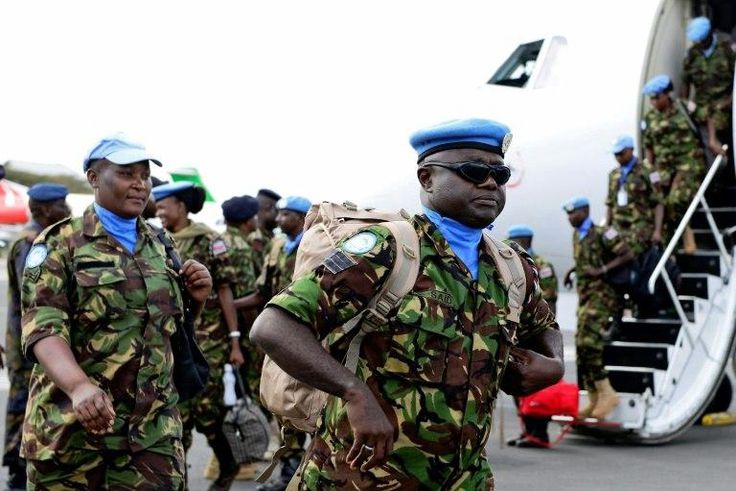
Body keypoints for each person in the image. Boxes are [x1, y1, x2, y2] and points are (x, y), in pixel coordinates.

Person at [251, 118, 563, 490]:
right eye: (473, 171)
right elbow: (273, 326)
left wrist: (554, 366)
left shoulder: (512, 265)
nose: (491, 182)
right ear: (426, 178)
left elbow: (545, 330)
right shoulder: (387, 249)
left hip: (464, 480)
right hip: (362, 478)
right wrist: (354, 392)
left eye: (499, 172)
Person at [20, 135, 213, 490]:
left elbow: (168, 330)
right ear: (94, 178)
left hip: (151, 435)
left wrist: (196, 299)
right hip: (74, 432)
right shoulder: (60, 243)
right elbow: (43, 328)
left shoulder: (161, 244)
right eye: (127, 174)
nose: (141, 184)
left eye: (145, 176)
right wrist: (78, 387)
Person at [153, 181, 244, 491]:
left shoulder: (209, 240)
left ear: (181, 206)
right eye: (157, 206)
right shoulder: (154, 240)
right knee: (178, 416)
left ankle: (229, 466)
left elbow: (224, 288)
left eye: (164, 205)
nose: (159, 211)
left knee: (210, 414)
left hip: (211, 341)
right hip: (174, 341)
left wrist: (234, 340)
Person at [234, 195, 311, 491]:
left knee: (307, 399)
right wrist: (226, 303)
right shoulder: (277, 247)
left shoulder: (315, 246)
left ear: (303, 218)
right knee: (280, 400)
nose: (279, 220)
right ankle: (290, 467)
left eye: (287, 215)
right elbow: (262, 292)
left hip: (307, 338)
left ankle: (305, 467)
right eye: (279, 215)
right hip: (279, 337)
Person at [3, 183, 71, 490]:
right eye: (61, 204)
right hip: (29, 342)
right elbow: (32, 298)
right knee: (24, 403)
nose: (68, 210)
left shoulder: (41, 239)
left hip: (31, 340)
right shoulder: (33, 245)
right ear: (42, 210)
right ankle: (18, 469)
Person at [563, 197, 634, 421]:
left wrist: (603, 269)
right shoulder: (578, 235)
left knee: (589, 344)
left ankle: (607, 393)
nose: (570, 218)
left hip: (603, 297)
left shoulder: (605, 233)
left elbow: (627, 254)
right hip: (586, 297)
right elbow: (586, 259)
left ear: (584, 211)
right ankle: (594, 397)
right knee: (581, 348)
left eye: (573, 213)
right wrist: (572, 271)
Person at [220, 195, 265, 481]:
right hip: (237, 329)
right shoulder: (241, 246)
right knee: (245, 392)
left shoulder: (219, 240)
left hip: (215, 329)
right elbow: (247, 295)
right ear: (249, 220)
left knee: (224, 394)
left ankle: (223, 461)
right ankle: (241, 460)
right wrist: (252, 338)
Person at [504, 224, 558, 448]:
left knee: (538, 386)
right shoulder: (513, 264)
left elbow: (550, 300)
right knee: (520, 386)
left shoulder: (543, 266)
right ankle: (527, 431)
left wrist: (546, 330)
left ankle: (540, 433)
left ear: (525, 240)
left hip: (536, 333)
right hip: (518, 332)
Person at [642, 74, 706, 251]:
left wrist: (714, 141)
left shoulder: (684, 107)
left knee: (675, 199)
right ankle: (670, 245)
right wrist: (651, 170)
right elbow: (649, 146)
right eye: (651, 99)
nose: (653, 102)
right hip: (663, 168)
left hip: (689, 163)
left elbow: (707, 118)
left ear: (666, 95)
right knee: (657, 201)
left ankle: (686, 232)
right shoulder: (650, 118)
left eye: (656, 98)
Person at [681, 16, 735, 160]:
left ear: (710, 34)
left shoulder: (727, 49)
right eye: (696, 41)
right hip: (703, 109)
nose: (699, 44)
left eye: (702, 40)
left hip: (727, 103)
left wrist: (730, 100)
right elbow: (685, 84)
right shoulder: (692, 55)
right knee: (712, 156)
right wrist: (687, 103)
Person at [605, 135, 664, 256]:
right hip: (618, 226)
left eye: (621, 153)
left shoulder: (650, 171)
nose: (618, 157)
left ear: (631, 150)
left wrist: (657, 231)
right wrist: (606, 227)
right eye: (615, 154)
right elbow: (610, 203)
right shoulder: (613, 175)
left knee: (630, 251)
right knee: (604, 245)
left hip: (640, 226)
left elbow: (658, 202)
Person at [248, 189, 282, 268]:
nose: (279, 218)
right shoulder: (256, 238)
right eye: (278, 212)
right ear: (268, 208)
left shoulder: (269, 236)